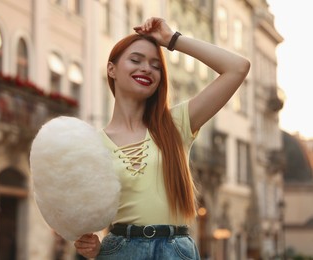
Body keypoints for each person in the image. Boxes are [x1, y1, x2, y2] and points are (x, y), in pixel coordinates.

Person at [74, 17, 250, 259]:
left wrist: (172, 40)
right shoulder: (93, 144)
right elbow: (87, 212)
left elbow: (238, 67)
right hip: (119, 250)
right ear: (111, 69)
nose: (147, 68)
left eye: (156, 65)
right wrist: (91, 246)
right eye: (136, 60)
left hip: (175, 250)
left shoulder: (176, 123)